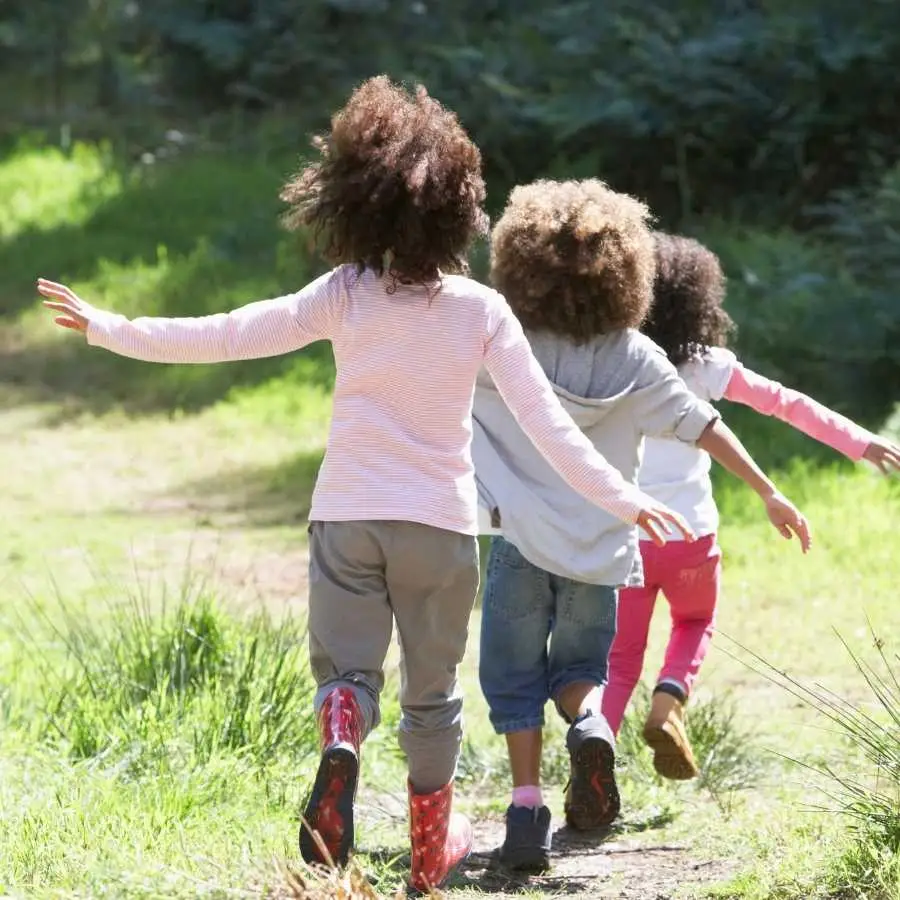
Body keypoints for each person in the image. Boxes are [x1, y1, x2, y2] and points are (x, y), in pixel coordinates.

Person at [38, 79, 695, 893]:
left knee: (347, 673)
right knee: (433, 698)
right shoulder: (482, 310)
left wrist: (111, 328)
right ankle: (429, 851)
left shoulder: (343, 296)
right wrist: (622, 498)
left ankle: (343, 730)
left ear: (355, 201)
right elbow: (549, 428)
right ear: (461, 206)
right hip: (440, 530)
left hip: (346, 516)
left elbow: (230, 333)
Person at [471, 180, 811, 872]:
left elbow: (438, 396)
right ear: (629, 271)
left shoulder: (508, 343)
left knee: (512, 679)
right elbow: (706, 425)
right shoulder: (636, 355)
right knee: (578, 671)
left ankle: (527, 813)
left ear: (522, 262)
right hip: (603, 550)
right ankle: (591, 727)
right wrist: (770, 491)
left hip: (520, 543)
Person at [602, 232, 900, 780]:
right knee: (695, 618)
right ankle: (668, 701)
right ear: (699, 301)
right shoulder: (706, 366)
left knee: (619, 661)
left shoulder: (616, 361)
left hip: (627, 536)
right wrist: (859, 441)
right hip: (690, 536)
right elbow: (785, 403)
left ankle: (592, 765)